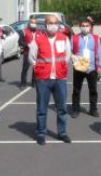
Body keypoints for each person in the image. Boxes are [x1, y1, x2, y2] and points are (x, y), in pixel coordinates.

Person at [29, 15, 72, 145]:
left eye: (55, 23)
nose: (53, 25)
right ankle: (41, 133)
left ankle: (62, 132)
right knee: (42, 108)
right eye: (50, 23)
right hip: (43, 79)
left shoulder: (64, 39)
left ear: (58, 25)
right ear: (45, 25)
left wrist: (62, 67)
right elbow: (32, 58)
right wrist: (39, 68)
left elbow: (67, 56)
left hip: (59, 78)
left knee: (62, 108)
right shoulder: (37, 40)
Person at [70, 19, 101, 118]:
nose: (85, 27)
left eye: (87, 25)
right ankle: (76, 109)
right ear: (80, 26)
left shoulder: (95, 38)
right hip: (79, 67)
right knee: (76, 89)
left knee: (93, 90)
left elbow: (99, 52)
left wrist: (100, 66)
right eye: (83, 25)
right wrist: (72, 58)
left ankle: (93, 109)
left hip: (92, 67)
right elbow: (69, 51)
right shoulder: (75, 38)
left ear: (90, 27)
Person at [19, 17, 39, 89]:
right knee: (25, 68)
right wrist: (26, 45)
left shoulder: (39, 32)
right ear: (29, 23)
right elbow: (20, 42)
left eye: (35, 23)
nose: (33, 24)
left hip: (36, 54)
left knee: (35, 69)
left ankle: (34, 82)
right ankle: (23, 83)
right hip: (27, 53)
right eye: (32, 23)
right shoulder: (24, 31)